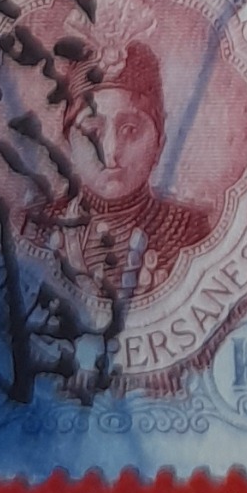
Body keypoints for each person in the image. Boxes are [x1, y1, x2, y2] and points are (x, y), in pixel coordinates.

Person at [44, 40, 214, 306]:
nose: (110, 152)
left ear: (159, 142)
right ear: (68, 143)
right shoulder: (35, 228)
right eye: (92, 131)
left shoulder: (191, 232)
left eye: (130, 130)